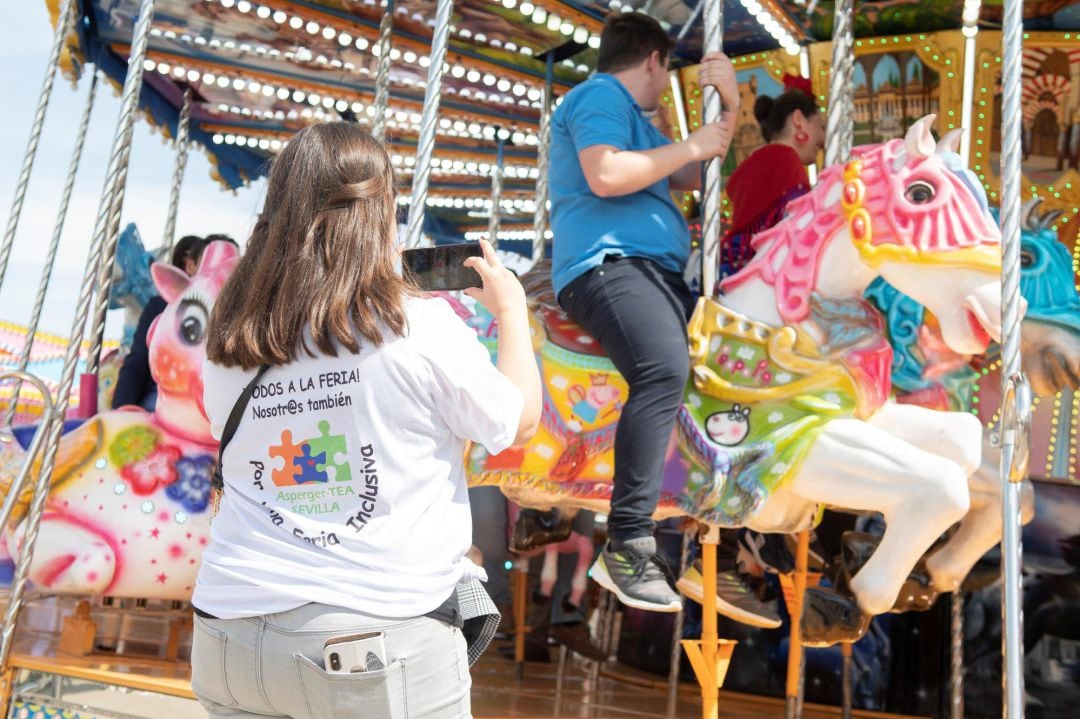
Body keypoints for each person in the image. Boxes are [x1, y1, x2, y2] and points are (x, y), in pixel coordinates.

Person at [190, 122, 541, 719]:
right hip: (371, 644)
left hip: (226, 633)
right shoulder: (415, 325)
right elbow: (518, 421)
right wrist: (511, 311)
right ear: (378, 213)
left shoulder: (231, 341)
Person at [549, 12, 738, 613]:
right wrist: (693, 140)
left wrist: (729, 108)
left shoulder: (639, 122)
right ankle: (628, 540)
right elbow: (605, 174)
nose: (665, 88)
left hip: (652, 273)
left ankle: (721, 539)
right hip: (606, 266)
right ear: (654, 59)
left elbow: (691, 170)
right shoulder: (599, 96)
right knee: (661, 369)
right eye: (666, 73)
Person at [717, 76, 825, 284]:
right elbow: (799, 234)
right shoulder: (787, 161)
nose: (823, 137)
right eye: (820, 125)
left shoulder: (755, 162)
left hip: (737, 267)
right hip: (765, 274)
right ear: (798, 121)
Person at [111, 235, 208, 410]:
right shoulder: (160, 306)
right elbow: (137, 363)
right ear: (189, 265)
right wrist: (122, 410)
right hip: (163, 398)